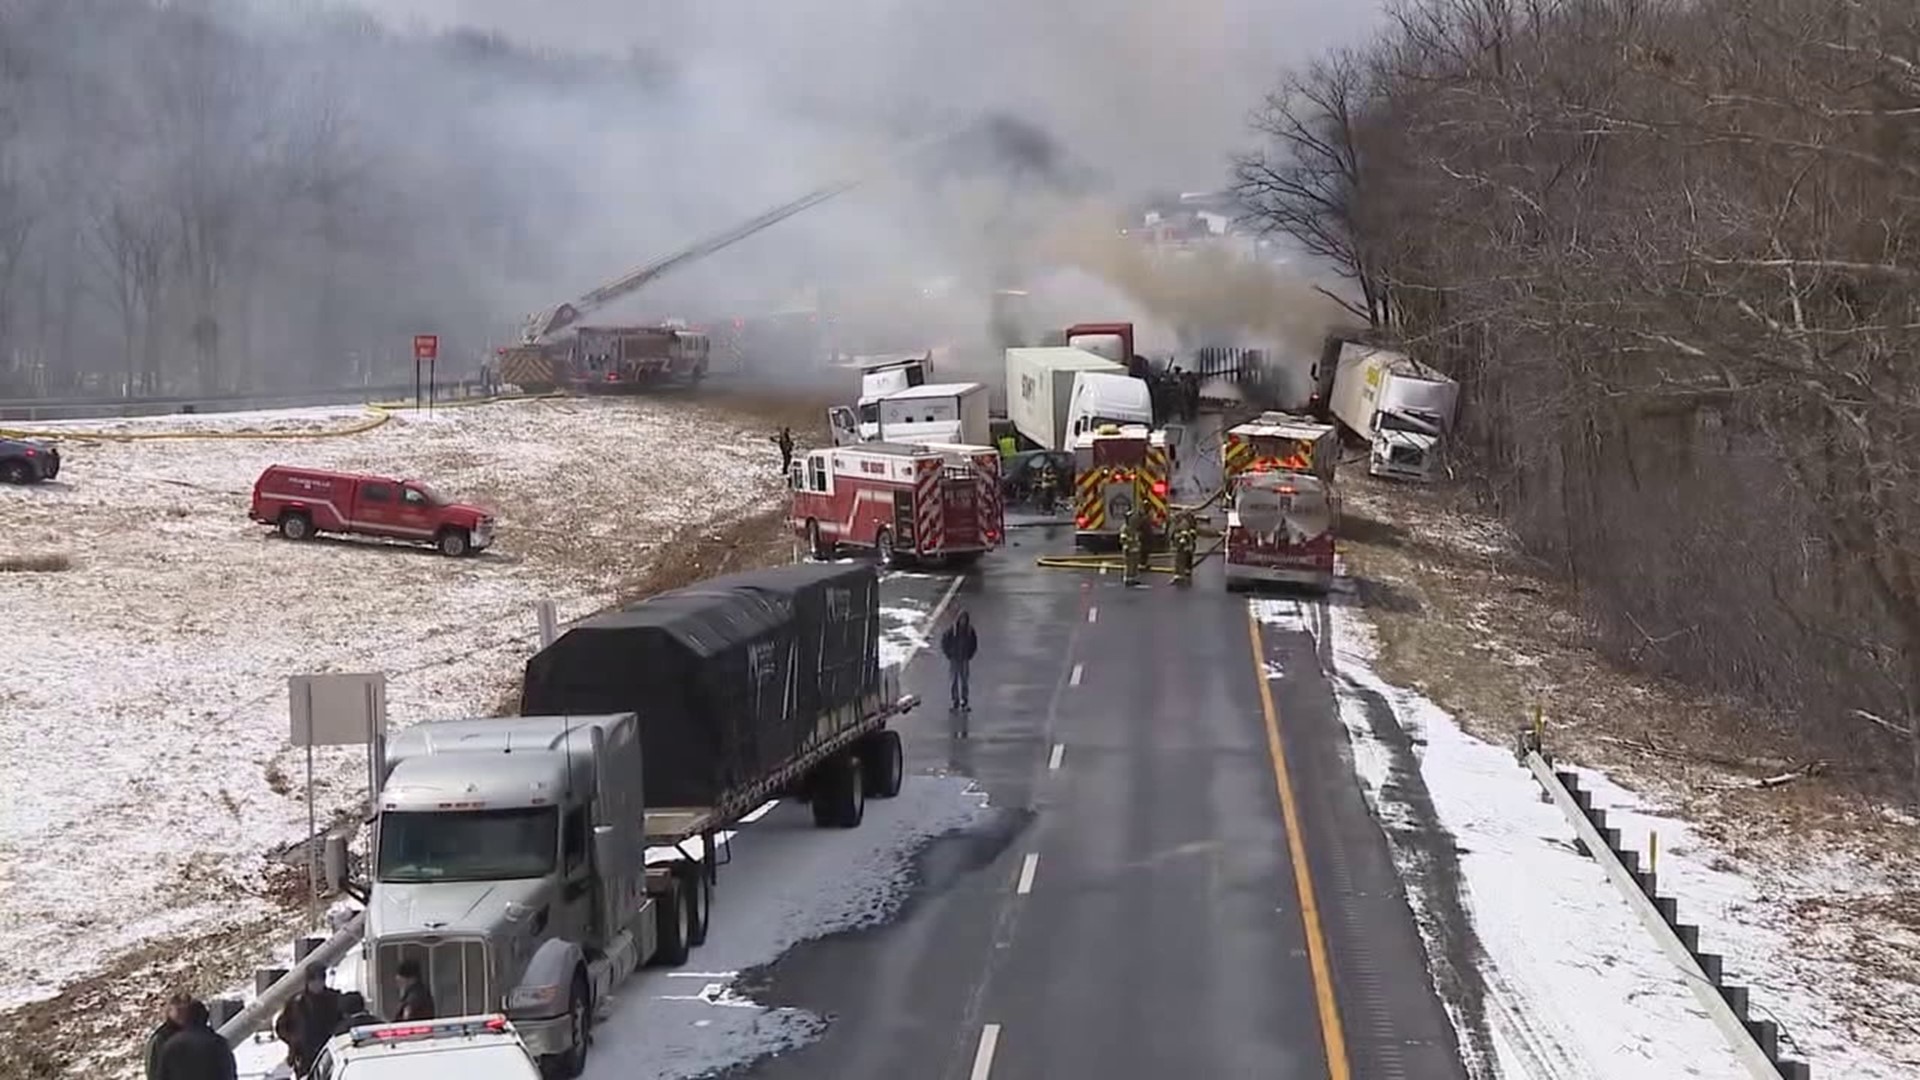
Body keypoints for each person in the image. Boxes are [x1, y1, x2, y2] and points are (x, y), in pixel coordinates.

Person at [274, 967, 342, 1078]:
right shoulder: (297, 1002)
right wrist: (294, 1040)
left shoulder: (334, 998)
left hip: (329, 1053)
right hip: (304, 1055)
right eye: (314, 981)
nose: (318, 984)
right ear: (308, 982)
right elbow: (281, 1027)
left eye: (320, 980)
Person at [155, 998, 237, 1080]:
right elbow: (229, 1073)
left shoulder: (171, 1045)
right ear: (205, 1016)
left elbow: (162, 1076)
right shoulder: (219, 1042)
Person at [144, 992, 194, 1080]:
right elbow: (153, 1069)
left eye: (186, 1010)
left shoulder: (196, 1033)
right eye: (179, 1010)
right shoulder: (161, 1037)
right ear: (169, 1011)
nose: (183, 1014)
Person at [940, 611, 979, 715]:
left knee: (964, 680)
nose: (963, 621)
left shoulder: (969, 631)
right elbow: (944, 642)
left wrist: (969, 655)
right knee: (954, 681)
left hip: (964, 658)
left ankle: (964, 701)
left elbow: (974, 644)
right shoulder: (952, 630)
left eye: (964, 619)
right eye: (961, 619)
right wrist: (949, 654)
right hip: (954, 658)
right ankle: (955, 700)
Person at [1171, 511, 1198, 585]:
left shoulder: (1183, 524)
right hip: (1187, 544)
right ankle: (1186, 571)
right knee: (1186, 557)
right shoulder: (1187, 524)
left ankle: (1180, 574)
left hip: (1184, 544)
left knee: (1180, 558)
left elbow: (1177, 534)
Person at [1119, 507, 1143, 586]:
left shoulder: (1134, 528)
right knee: (1129, 564)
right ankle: (1128, 579)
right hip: (1129, 548)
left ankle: (1133, 578)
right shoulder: (1125, 528)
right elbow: (1123, 538)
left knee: (1135, 564)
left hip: (1135, 548)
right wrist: (1127, 545)